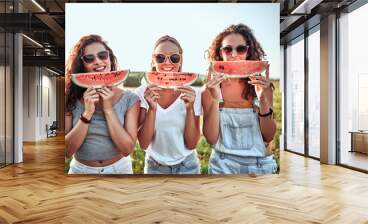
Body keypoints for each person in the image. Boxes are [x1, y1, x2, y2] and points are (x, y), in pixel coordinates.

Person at [202, 24, 277, 175]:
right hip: (221, 166)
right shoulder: (209, 90)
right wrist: (216, 98)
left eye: (240, 49)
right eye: (227, 49)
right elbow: (211, 139)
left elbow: (268, 136)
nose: (234, 54)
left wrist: (262, 99)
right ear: (220, 53)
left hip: (260, 166)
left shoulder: (262, 86)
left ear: (248, 52)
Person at [65, 34, 140, 174]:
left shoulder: (130, 99)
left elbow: (127, 149)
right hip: (80, 171)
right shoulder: (70, 99)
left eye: (103, 55)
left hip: (120, 170)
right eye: (89, 58)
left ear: (110, 59)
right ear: (82, 65)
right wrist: (87, 114)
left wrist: (109, 110)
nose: (98, 61)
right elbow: (68, 151)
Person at [135, 35, 201, 174]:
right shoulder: (142, 93)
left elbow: (192, 144)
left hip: (188, 166)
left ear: (180, 60)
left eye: (174, 58)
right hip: (155, 167)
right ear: (153, 60)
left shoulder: (193, 93)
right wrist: (152, 109)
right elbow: (144, 144)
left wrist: (189, 109)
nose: (167, 63)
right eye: (160, 57)